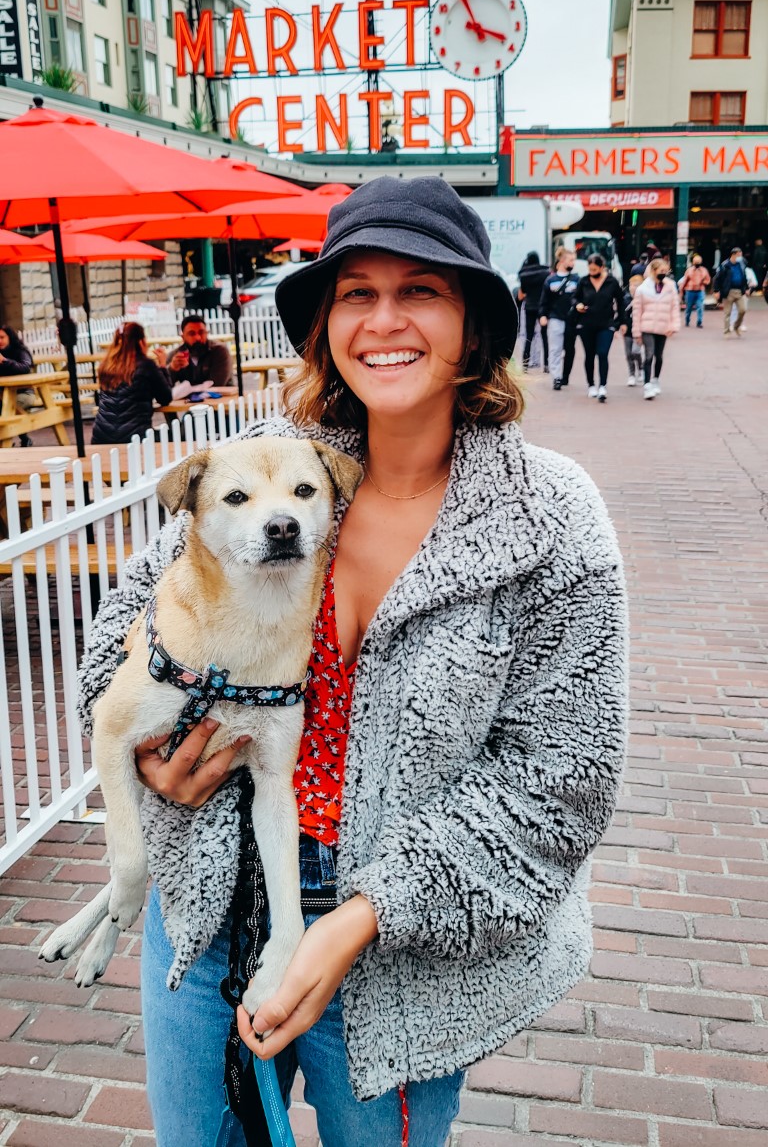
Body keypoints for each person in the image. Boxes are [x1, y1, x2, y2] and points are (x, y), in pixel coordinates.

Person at [77, 177, 628, 1147]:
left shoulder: (549, 517)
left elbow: (561, 782)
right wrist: (155, 753)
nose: (384, 321)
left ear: (475, 321)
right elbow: (116, 632)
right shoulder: (268, 471)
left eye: (422, 290)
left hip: (401, 946)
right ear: (326, 321)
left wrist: (356, 921)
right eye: (355, 293)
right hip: (210, 908)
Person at [91, 322, 173, 444]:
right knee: (177, 435)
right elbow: (165, 398)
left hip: (101, 437)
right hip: (136, 438)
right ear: (141, 342)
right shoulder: (146, 365)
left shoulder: (105, 366)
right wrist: (162, 365)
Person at [574, 252, 624, 401]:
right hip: (586, 324)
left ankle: (603, 386)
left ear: (602, 267)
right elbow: (575, 298)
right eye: (590, 270)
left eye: (595, 270)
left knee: (602, 353)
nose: (592, 273)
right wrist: (578, 305)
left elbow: (621, 302)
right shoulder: (583, 281)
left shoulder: (611, 282)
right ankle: (591, 385)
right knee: (589, 355)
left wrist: (619, 322)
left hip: (606, 324)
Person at [631, 257, 680, 400]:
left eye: (665, 271)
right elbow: (637, 311)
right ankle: (647, 385)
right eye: (661, 271)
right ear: (653, 271)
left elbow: (674, 307)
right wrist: (636, 332)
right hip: (647, 326)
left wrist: (674, 326)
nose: (664, 273)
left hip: (663, 326)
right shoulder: (642, 289)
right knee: (649, 354)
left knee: (659, 355)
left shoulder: (670, 287)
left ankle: (655, 379)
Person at [538, 246, 578, 390]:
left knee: (570, 349)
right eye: (571, 260)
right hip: (555, 318)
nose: (573, 262)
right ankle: (556, 377)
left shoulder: (576, 279)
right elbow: (544, 300)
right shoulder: (550, 280)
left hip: (571, 319)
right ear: (562, 261)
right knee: (555, 349)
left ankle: (565, 376)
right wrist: (542, 315)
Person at [168, 314, 233, 385]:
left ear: (206, 333)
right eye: (192, 334)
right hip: (189, 396)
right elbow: (164, 387)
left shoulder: (219, 351)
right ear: (183, 337)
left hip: (221, 395)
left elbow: (217, 383)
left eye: (201, 332)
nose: (198, 338)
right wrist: (172, 369)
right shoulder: (176, 355)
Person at [0, 325, 35, 445]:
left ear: (9, 337)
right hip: (3, 394)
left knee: (6, 409)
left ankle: (8, 442)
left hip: (24, 393)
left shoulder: (20, 351)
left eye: (2, 337)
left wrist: (4, 361)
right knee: (4, 407)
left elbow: (25, 367)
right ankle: (22, 439)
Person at [516, 249, 550, 371]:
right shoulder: (545, 272)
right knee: (544, 336)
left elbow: (521, 295)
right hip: (542, 307)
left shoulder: (524, 275)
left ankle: (525, 364)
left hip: (530, 306)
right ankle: (546, 364)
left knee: (528, 336)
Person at [713, 247, 749, 336]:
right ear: (733, 255)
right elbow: (717, 279)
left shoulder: (742, 264)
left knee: (743, 310)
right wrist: (716, 291)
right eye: (739, 255)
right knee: (727, 313)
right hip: (728, 291)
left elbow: (744, 276)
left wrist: (746, 288)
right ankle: (726, 331)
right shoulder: (725, 265)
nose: (740, 257)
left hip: (739, 291)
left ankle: (736, 326)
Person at [621, 277, 644, 386]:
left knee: (636, 351)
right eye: (631, 286)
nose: (633, 288)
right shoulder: (625, 299)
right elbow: (621, 314)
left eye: (636, 286)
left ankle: (641, 368)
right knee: (628, 353)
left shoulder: (643, 299)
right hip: (627, 330)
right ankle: (631, 375)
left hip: (639, 330)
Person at [678, 254, 710, 327]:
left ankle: (699, 322)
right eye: (696, 262)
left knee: (700, 306)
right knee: (688, 307)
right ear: (693, 262)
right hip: (690, 291)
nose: (697, 263)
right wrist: (681, 291)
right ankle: (687, 320)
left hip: (700, 290)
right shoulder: (689, 270)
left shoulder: (704, 270)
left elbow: (708, 280)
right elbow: (685, 281)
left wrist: (703, 282)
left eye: (698, 262)